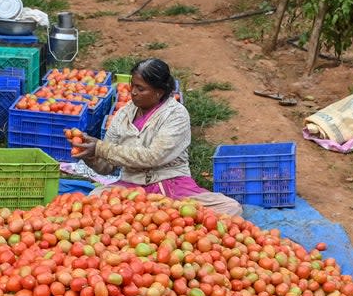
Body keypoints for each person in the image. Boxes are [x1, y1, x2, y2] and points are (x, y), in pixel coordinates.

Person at [77, 58, 243, 217]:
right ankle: (157, 220)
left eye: (141, 89)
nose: (133, 92)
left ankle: (160, 220)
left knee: (229, 208)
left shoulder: (176, 114)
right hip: (132, 186)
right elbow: (108, 167)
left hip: (172, 185)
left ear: (159, 92)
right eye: (132, 85)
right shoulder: (123, 114)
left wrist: (100, 148)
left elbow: (153, 157)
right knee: (92, 201)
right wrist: (90, 156)